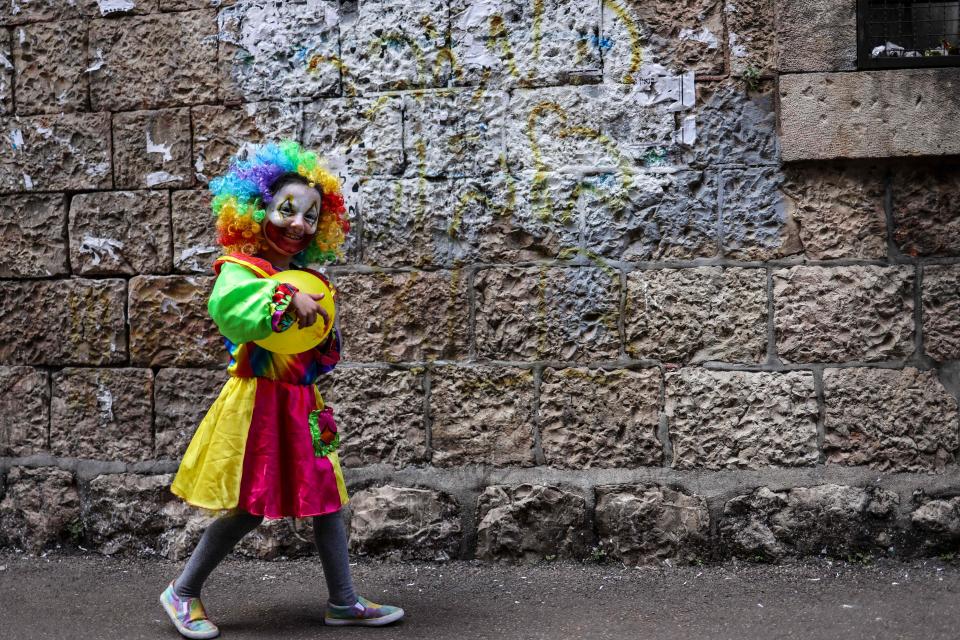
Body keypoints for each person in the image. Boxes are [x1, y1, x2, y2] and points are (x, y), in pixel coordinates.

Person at [159, 141, 404, 639]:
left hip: (300, 402)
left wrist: (319, 317)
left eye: (312, 216)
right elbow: (230, 310)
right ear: (254, 212)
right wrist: (287, 296)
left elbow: (314, 341)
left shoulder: (305, 274)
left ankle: (343, 601)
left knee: (327, 498)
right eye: (287, 210)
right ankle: (181, 593)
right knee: (251, 506)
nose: (299, 224)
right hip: (257, 404)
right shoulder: (240, 269)